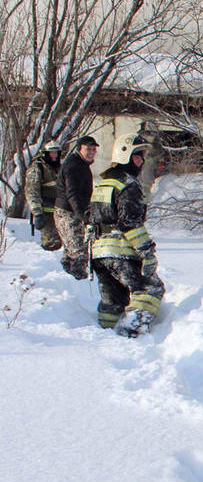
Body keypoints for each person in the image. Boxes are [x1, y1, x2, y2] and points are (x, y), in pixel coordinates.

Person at [88, 133, 164, 337]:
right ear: (125, 155)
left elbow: (91, 219)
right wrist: (147, 251)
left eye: (142, 156)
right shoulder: (129, 184)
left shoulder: (103, 184)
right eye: (137, 156)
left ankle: (104, 335)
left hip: (99, 253)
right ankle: (130, 331)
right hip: (121, 251)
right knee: (150, 289)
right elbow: (130, 223)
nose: (141, 161)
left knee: (113, 300)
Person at [56, 135, 99, 279]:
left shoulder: (82, 164)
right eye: (88, 149)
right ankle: (77, 282)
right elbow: (72, 194)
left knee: (71, 250)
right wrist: (83, 216)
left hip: (75, 211)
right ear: (79, 149)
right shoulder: (73, 166)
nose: (91, 152)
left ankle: (65, 279)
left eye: (93, 149)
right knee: (78, 252)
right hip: (67, 212)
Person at [25, 140, 63, 251]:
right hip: (46, 215)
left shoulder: (60, 168)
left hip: (61, 213)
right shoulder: (37, 169)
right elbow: (32, 192)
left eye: (56, 152)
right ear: (45, 153)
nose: (54, 155)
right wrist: (37, 213)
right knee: (51, 245)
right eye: (51, 152)